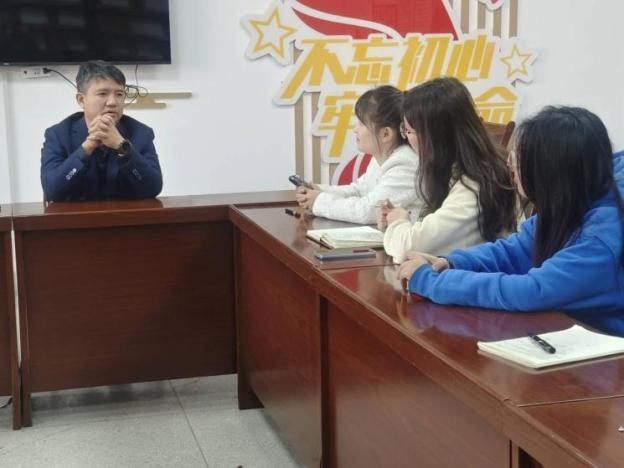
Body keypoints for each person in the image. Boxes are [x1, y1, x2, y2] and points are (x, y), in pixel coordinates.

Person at [398, 106, 624, 336]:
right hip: (568, 332)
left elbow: (532, 291)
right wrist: (451, 263)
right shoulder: (574, 198)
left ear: (551, 170)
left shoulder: (603, 236)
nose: (511, 166)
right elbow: (514, 252)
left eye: (520, 159)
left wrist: (430, 281)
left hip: (607, 350)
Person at [380, 77, 517, 262]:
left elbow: (409, 248)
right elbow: (435, 233)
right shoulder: (461, 171)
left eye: (409, 131)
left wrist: (398, 222)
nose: (407, 138)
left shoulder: (475, 186)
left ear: (435, 136)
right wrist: (399, 221)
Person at [295, 85, 421, 224]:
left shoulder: (406, 164)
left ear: (386, 134)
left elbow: (367, 211)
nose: (355, 129)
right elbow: (359, 191)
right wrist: (320, 190)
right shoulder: (383, 156)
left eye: (362, 124)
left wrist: (319, 201)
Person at [41, 60, 163, 202]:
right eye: (103, 93)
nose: (112, 102)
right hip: (77, 216)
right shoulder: (58, 135)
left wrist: (123, 147)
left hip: (126, 215)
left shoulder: (141, 133)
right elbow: (52, 191)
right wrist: (86, 149)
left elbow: (153, 188)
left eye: (119, 94)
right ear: (81, 100)